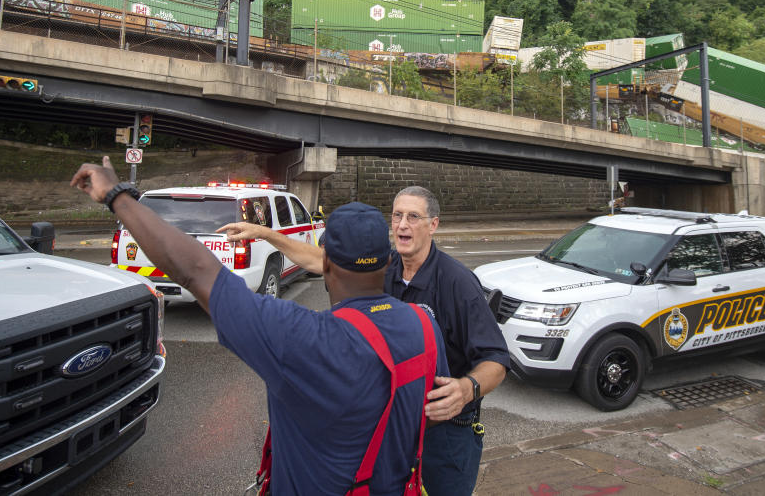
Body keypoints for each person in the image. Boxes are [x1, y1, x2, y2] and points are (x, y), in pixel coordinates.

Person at [71, 158, 448, 496]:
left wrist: (117, 195)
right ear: (386, 262)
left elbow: (197, 269)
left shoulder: (299, 338)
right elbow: (428, 412)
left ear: (325, 261)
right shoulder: (424, 325)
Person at [222, 185, 510, 496]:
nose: (402, 225)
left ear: (433, 224)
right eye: (397, 216)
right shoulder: (384, 266)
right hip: (396, 424)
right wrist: (266, 234)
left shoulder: (457, 282)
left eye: (413, 217)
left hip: (445, 432)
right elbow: (323, 260)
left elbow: (496, 358)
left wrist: (467, 389)